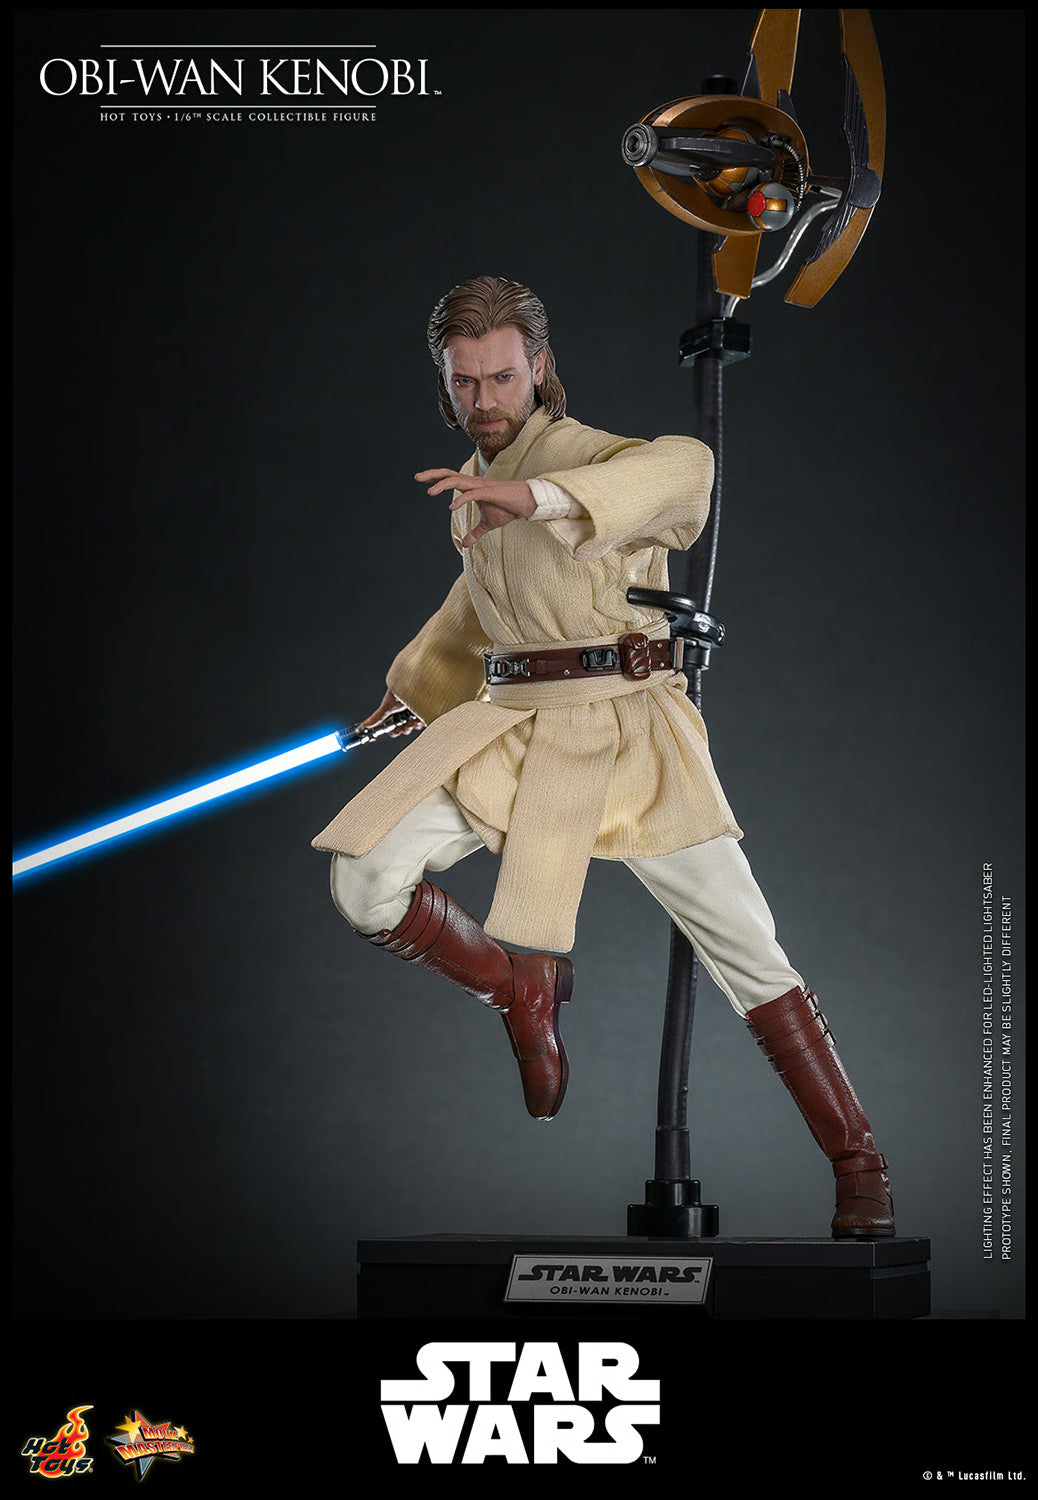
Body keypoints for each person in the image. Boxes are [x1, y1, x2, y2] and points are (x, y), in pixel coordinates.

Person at [312, 275, 894, 1240]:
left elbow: (687, 474)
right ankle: (518, 985)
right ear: (445, 383)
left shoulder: (595, 460)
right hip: (514, 727)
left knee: (749, 949)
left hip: (627, 731)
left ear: (540, 368)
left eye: (502, 377)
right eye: (465, 382)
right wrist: (417, 683)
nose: (485, 400)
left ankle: (858, 1159)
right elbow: (479, 606)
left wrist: (538, 497)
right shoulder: (470, 489)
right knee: (363, 875)